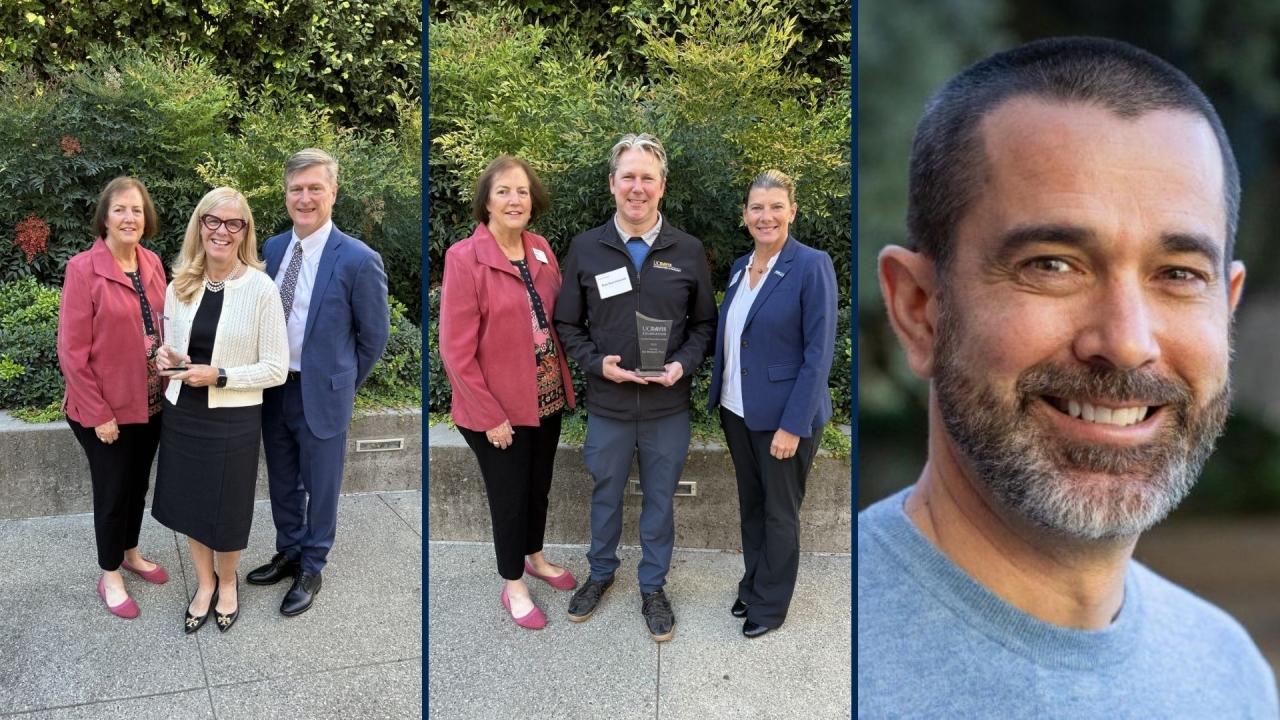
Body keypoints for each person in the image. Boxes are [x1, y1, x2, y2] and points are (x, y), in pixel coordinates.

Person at [861, 36, 1278, 715]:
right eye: (1052, 264)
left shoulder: (1228, 675)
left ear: (1225, 312)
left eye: (1178, 275)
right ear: (918, 311)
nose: (1125, 342)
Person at [553, 133, 717, 642]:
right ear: (612, 184)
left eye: (647, 177)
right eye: (629, 176)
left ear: (662, 186)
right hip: (610, 405)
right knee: (605, 494)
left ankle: (653, 588)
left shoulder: (687, 251)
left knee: (660, 500)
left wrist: (681, 366)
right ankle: (600, 575)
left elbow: (705, 327)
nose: (637, 187)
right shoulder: (586, 247)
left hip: (668, 405)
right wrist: (599, 364)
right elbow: (566, 326)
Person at [246, 148, 390, 616]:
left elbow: (374, 336)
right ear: (286, 195)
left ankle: (312, 565)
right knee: (283, 479)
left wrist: (341, 382)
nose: (304, 198)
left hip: (322, 391)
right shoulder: (269, 249)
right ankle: (289, 550)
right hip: (272, 387)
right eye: (296, 189)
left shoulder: (357, 259)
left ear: (333, 192)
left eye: (314, 188)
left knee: (321, 483)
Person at [439, 156, 578, 630]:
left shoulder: (539, 248)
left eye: (521, 191)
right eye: (503, 191)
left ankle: (535, 556)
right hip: (496, 409)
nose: (514, 199)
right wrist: (489, 414)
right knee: (509, 494)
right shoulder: (465, 257)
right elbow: (455, 351)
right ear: (487, 202)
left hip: (546, 399)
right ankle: (513, 582)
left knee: (537, 489)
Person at [150, 187, 289, 634]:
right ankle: (204, 583)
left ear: (244, 231)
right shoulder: (180, 284)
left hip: (232, 416)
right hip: (183, 412)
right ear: (200, 225)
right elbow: (176, 350)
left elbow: (276, 368)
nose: (222, 231)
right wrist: (164, 358)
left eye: (234, 223)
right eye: (214, 221)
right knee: (192, 504)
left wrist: (220, 375)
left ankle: (227, 582)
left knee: (227, 508)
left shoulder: (260, 288)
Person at [707, 170, 837, 638]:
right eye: (757, 207)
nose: (767, 216)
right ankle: (754, 583)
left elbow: (818, 353)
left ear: (792, 212)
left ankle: (771, 605)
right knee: (752, 506)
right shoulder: (741, 267)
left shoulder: (811, 264)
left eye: (776, 206)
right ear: (745, 215)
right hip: (737, 411)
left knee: (780, 513)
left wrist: (793, 425)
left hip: (784, 418)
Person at [58, 177, 170, 619]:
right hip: (103, 411)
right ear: (104, 216)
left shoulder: (153, 262)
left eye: (137, 210)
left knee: (137, 486)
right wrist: (100, 413)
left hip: (151, 403)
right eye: (120, 209)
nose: (130, 218)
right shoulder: (83, 269)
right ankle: (110, 573)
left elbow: (163, 322)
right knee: (112, 492)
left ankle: (130, 552)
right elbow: (71, 351)